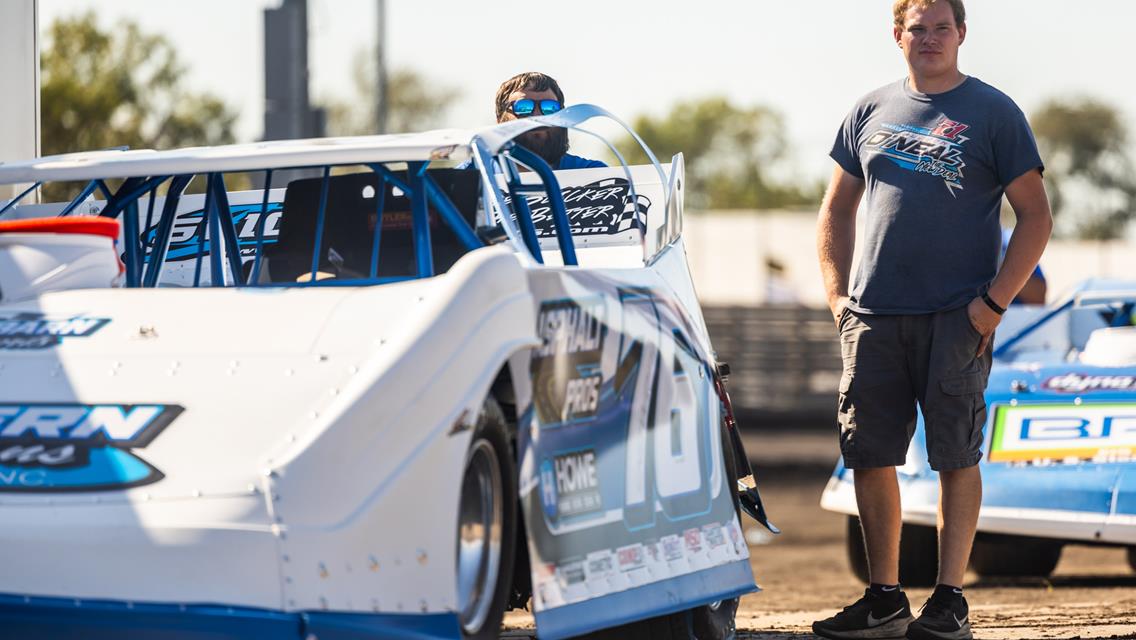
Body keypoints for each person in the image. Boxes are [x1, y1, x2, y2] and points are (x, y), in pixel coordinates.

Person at [813, 1, 1052, 639]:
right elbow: (835, 212)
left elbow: (1036, 215)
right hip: (873, 314)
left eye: (941, 27)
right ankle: (885, 598)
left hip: (958, 316)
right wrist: (839, 299)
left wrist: (993, 304)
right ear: (898, 35)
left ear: (961, 35)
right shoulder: (867, 111)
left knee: (954, 455)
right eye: (916, 28)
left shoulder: (995, 113)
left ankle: (949, 601)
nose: (929, 38)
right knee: (869, 453)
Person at [493, 72, 607, 170]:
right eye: (524, 107)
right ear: (499, 119)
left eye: (549, 108)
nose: (538, 116)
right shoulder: (480, 175)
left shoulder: (593, 173)